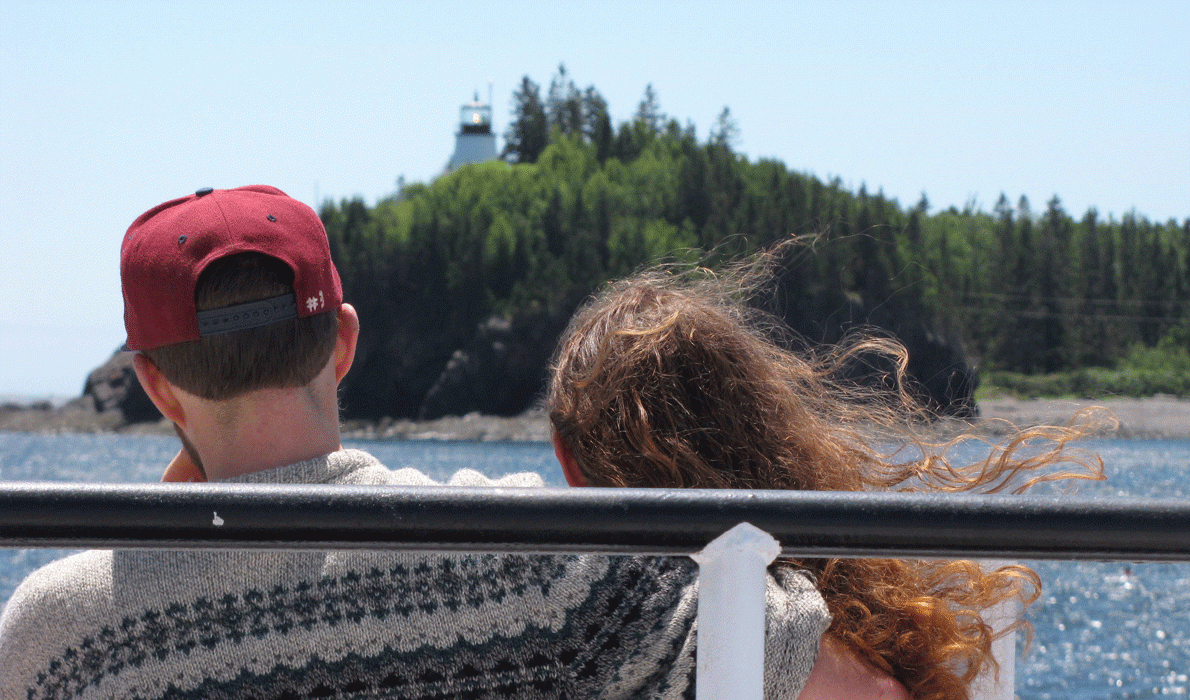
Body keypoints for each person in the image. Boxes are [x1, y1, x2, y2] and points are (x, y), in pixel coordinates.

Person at [0, 186, 831, 700]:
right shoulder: (523, 560)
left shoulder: (59, 635)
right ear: (344, 343)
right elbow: (789, 651)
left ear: (151, 384)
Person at [546, 250, 1110, 700]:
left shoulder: (550, 605)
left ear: (567, 459)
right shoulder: (831, 624)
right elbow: (879, 693)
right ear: (762, 428)